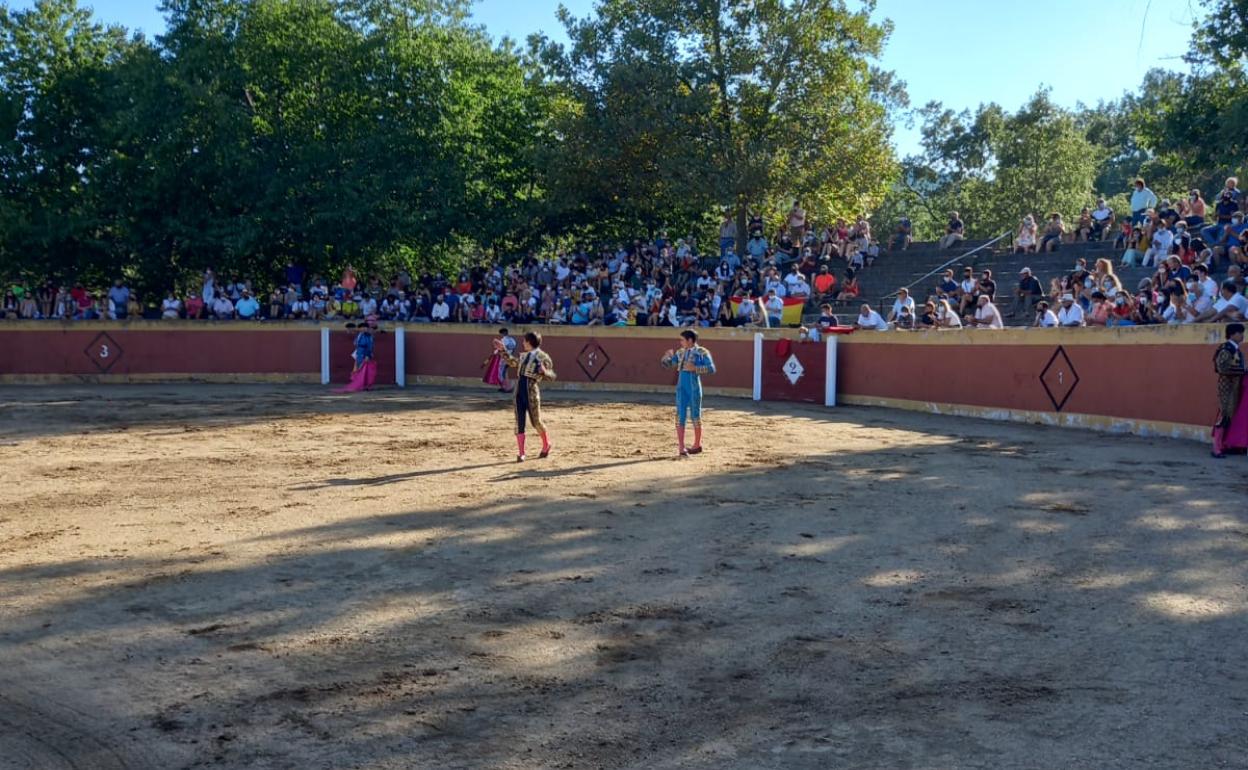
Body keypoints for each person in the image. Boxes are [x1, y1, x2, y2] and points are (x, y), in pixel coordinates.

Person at [497, 331, 556, 462]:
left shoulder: (543, 357)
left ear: (529, 342)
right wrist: (503, 350)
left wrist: (544, 372)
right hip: (519, 391)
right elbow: (513, 363)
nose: (523, 343)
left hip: (532, 391)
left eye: (524, 341)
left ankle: (546, 444)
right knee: (520, 422)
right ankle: (521, 452)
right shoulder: (524, 356)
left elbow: (552, 376)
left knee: (536, 421)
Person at [660, 329, 717, 459]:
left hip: (694, 388)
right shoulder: (680, 353)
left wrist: (695, 368)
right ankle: (681, 447)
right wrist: (666, 358)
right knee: (680, 415)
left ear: (690, 340)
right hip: (682, 388)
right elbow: (668, 364)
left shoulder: (702, 352)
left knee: (695, 416)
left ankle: (697, 445)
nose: (680, 342)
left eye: (682, 340)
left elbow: (711, 368)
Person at [1212, 323, 1247, 458]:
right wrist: (1243, 371)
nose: (1242, 335)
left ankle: (1222, 445)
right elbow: (1221, 368)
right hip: (1226, 386)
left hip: (1233, 386)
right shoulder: (1227, 349)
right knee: (1225, 415)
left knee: (1228, 415)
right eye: (1240, 333)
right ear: (1232, 334)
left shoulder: (1234, 349)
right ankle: (1216, 447)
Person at [335, 318, 377, 393]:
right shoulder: (359, 335)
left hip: (364, 354)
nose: (363, 329)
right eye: (362, 328)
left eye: (365, 328)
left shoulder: (368, 336)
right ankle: (360, 385)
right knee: (358, 370)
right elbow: (356, 343)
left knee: (364, 370)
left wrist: (367, 355)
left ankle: (365, 385)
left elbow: (370, 346)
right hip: (359, 354)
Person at [482, 327, 515, 392]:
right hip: (510, 358)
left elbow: (500, 349)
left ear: (503, 333)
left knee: (500, 373)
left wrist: (494, 353)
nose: (501, 335)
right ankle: (506, 387)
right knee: (504, 372)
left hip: (503, 358)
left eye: (501, 334)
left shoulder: (503, 340)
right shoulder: (512, 340)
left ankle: (505, 387)